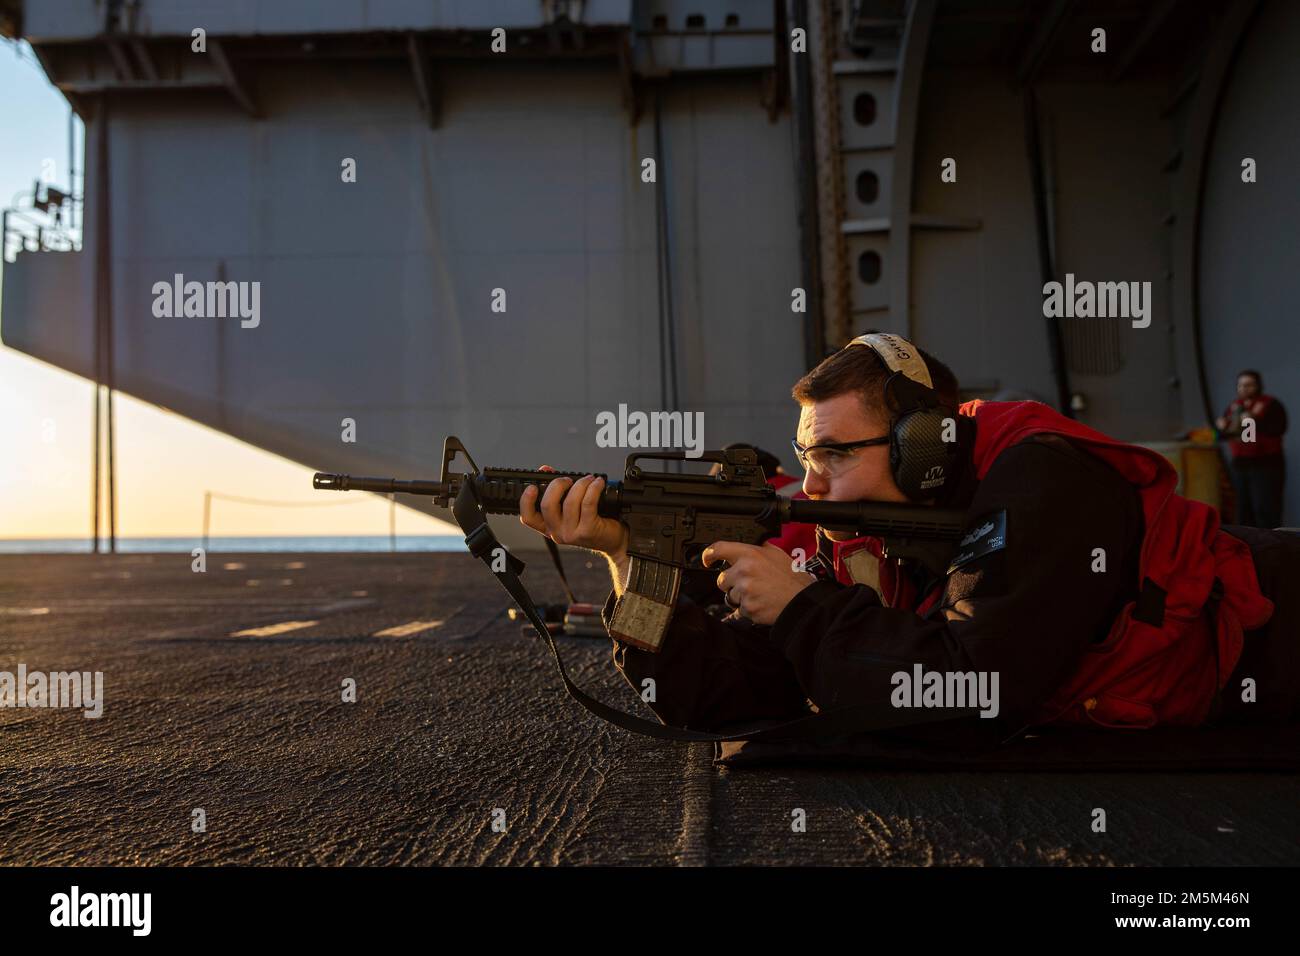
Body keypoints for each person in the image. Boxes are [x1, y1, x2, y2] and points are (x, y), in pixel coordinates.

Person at [519, 333, 1300, 739]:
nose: (809, 484)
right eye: (803, 455)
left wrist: (800, 610)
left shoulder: (1044, 483)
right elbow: (727, 697)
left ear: (923, 450)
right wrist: (630, 563)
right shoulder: (872, 539)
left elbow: (970, 692)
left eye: (832, 454)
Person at [1216, 370, 1287, 529]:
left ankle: (1271, 548)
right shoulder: (1234, 407)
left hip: (1266, 464)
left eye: (1248, 385)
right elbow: (1224, 435)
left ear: (1258, 385)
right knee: (1242, 509)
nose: (1244, 389)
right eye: (1241, 385)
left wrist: (1253, 422)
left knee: (1265, 507)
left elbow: (1278, 429)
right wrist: (1222, 428)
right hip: (1240, 464)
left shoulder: (1271, 404)